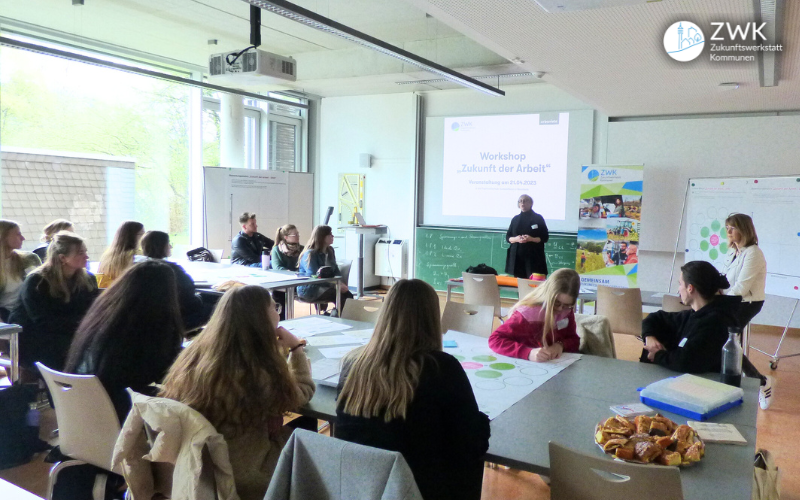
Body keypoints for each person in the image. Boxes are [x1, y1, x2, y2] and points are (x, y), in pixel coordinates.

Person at [335, 279, 490, 500]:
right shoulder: (441, 368)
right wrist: (481, 420)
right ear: (432, 318)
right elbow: (471, 443)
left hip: (359, 488)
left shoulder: (354, 363)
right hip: (418, 490)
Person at [160, 285, 315, 500]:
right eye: (274, 307)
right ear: (260, 317)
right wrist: (296, 349)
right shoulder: (256, 368)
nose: (277, 313)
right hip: (245, 471)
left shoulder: (194, 355)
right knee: (306, 424)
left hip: (196, 465)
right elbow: (301, 394)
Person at [65, 260, 184, 422]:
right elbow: (163, 372)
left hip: (86, 411)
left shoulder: (103, 315)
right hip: (121, 416)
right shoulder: (147, 328)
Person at [11, 232, 98, 371]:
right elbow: (42, 321)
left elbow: (93, 312)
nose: (86, 256)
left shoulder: (88, 280)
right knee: (76, 350)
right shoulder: (37, 281)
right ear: (63, 258)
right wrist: (82, 327)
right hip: (37, 337)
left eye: (85, 251)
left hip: (72, 333)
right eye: (80, 253)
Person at [641, 260, 742, 374]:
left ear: (690, 288)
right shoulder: (694, 314)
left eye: (680, 284)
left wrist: (658, 355)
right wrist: (650, 337)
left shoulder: (716, 323)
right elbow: (655, 318)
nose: (679, 289)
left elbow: (687, 361)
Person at [722, 213, 772, 409]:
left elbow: (741, 287)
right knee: (725, 340)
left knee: (727, 341)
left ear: (744, 230)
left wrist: (720, 302)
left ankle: (761, 381)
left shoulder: (754, 253)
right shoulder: (733, 251)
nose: (728, 232)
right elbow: (725, 280)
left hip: (747, 302)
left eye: (732, 228)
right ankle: (737, 381)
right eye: (727, 228)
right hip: (732, 301)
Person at [489, 268, 581, 361]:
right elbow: (495, 340)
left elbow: (574, 340)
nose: (560, 309)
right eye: (556, 303)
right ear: (548, 296)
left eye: (567, 305)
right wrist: (528, 353)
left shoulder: (567, 312)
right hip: (525, 367)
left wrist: (560, 345)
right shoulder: (527, 314)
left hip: (551, 365)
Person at [140, 230, 205, 330]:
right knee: (219, 306)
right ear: (161, 246)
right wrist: (199, 298)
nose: (170, 246)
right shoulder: (171, 270)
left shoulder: (137, 268)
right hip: (177, 319)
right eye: (168, 243)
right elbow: (189, 298)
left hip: (150, 320)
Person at [297, 225, 352, 312]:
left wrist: (341, 283)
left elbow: (335, 270)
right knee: (338, 296)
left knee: (349, 296)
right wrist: (335, 285)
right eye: (330, 234)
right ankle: (339, 319)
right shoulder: (310, 254)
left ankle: (343, 318)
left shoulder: (330, 250)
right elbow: (314, 276)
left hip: (326, 285)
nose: (332, 236)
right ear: (322, 237)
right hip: (310, 289)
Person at [0, 220, 41, 320]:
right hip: (6, 318)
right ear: (3, 237)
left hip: (31, 314)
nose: (23, 238)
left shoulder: (30, 259)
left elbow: (42, 288)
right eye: (18, 234)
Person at [505, 194, 549, 279]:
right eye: (520, 201)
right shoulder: (515, 219)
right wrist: (516, 239)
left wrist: (531, 239)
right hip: (517, 259)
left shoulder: (538, 218)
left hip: (534, 258)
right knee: (519, 286)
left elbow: (545, 237)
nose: (522, 203)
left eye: (525, 201)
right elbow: (508, 237)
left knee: (533, 286)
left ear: (531, 203)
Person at [97, 220, 145, 287]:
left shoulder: (107, 256)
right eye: (142, 234)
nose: (144, 237)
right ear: (132, 236)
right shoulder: (138, 256)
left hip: (109, 295)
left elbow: (101, 283)